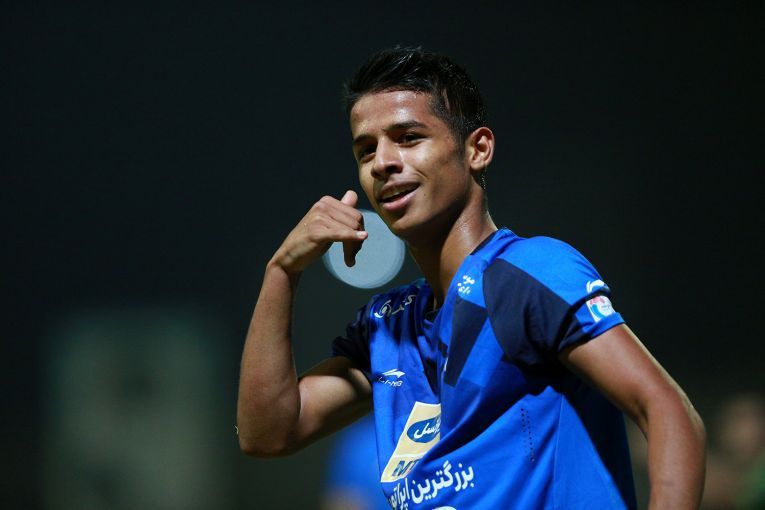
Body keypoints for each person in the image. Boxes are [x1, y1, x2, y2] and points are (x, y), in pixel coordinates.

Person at [237, 46, 706, 509]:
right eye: (366, 150)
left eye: (408, 137)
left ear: (477, 149)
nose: (382, 162)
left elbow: (668, 411)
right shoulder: (388, 325)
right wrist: (282, 270)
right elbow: (268, 433)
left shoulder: (525, 274)